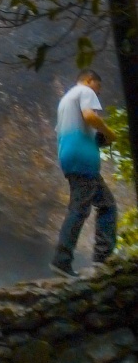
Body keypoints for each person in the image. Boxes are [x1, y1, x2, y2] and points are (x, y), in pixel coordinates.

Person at [51, 69, 118, 279]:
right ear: (90, 81)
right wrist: (109, 132)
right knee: (79, 210)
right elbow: (90, 116)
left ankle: (101, 259)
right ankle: (63, 260)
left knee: (106, 204)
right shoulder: (85, 91)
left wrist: (96, 139)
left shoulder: (65, 101)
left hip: (72, 158)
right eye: (98, 87)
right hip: (83, 161)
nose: (97, 93)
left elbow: (69, 131)